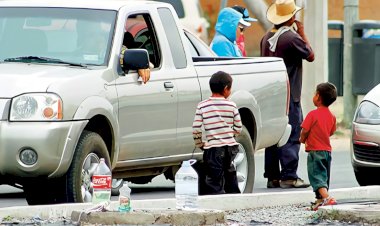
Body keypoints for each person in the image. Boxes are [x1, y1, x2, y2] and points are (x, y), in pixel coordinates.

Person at [260, 0, 315, 189]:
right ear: (291, 17)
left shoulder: (266, 37)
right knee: (292, 134)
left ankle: (273, 176)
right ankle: (290, 176)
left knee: (274, 135)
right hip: (290, 95)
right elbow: (310, 55)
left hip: (272, 95)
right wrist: (301, 31)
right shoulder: (291, 38)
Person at [192, 71, 242, 194]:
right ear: (226, 89)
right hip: (230, 147)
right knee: (229, 172)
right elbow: (238, 127)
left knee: (214, 178)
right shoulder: (232, 105)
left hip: (213, 149)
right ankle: (234, 197)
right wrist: (230, 134)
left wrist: (200, 144)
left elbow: (196, 129)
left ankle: (216, 199)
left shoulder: (202, 106)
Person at [299, 82, 338, 210]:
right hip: (327, 151)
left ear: (318, 97)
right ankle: (319, 200)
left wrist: (302, 139)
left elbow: (305, 130)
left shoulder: (312, 114)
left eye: (315, 93)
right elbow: (331, 131)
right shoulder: (332, 116)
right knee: (324, 176)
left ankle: (327, 198)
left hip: (315, 151)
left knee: (316, 176)